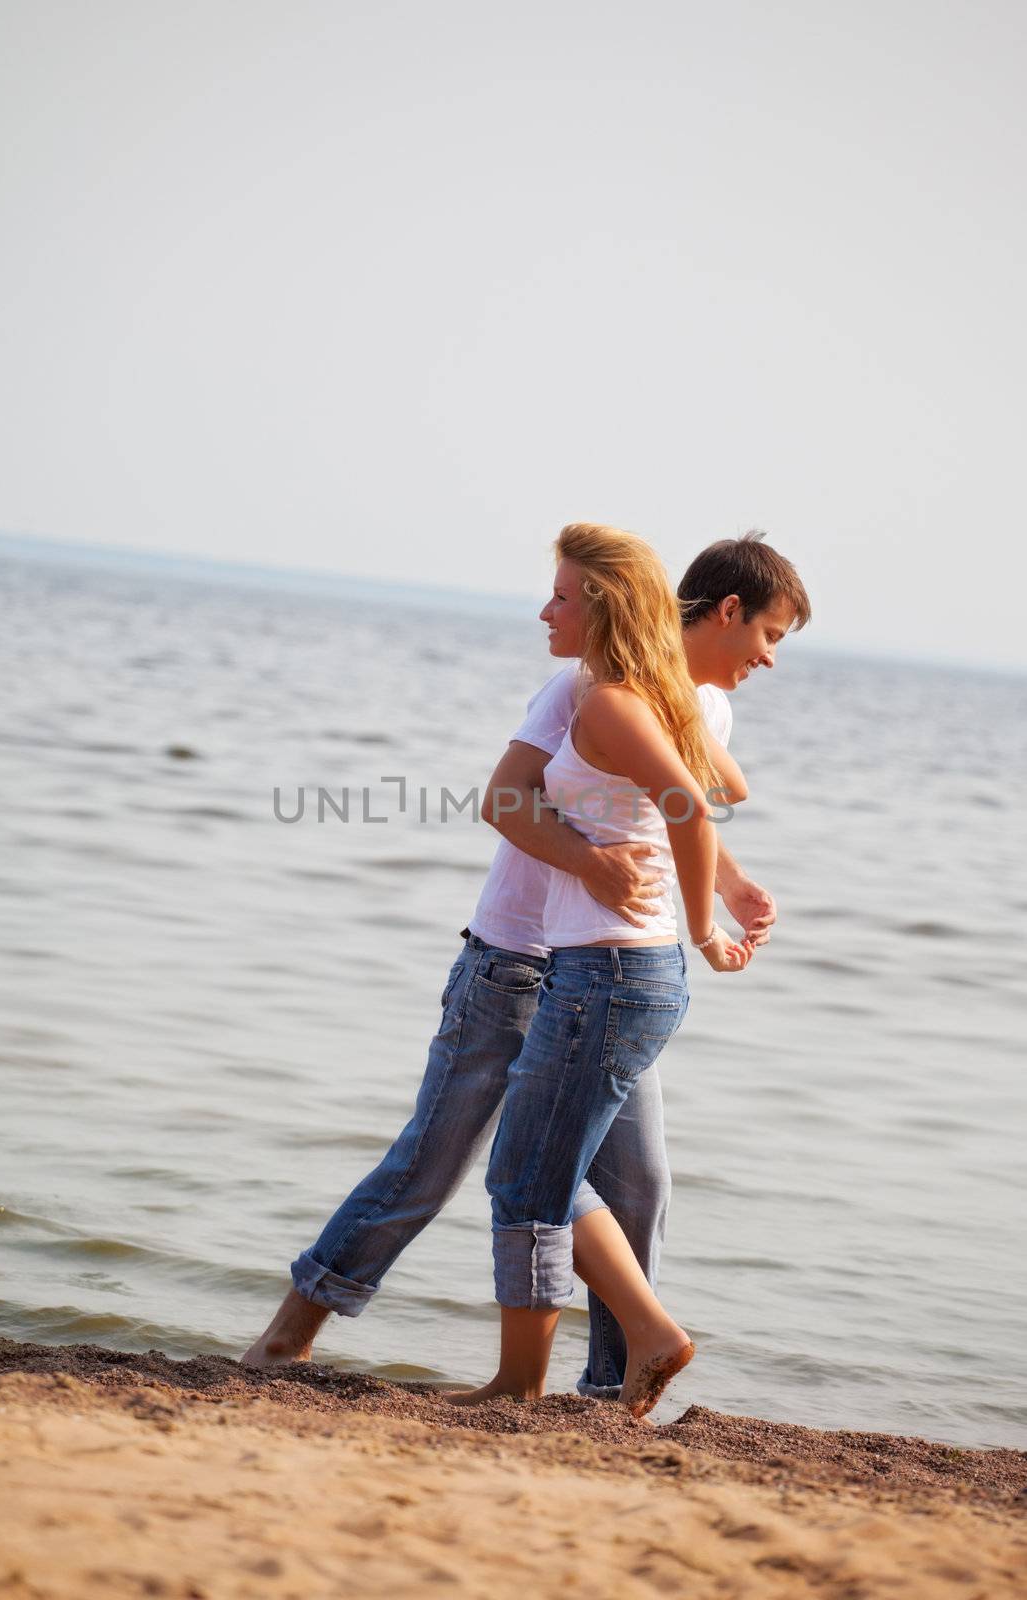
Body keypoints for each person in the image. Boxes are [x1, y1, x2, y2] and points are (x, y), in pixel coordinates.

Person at [242, 528, 811, 1393]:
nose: (770, 658)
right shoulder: (579, 686)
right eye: (770, 635)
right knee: (437, 1166)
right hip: (518, 955)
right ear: (728, 612)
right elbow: (506, 801)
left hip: (612, 968)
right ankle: (292, 1334)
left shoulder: (698, 705)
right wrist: (596, 866)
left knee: (636, 1187)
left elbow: (679, 808)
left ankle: (611, 1392)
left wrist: (727, 886)